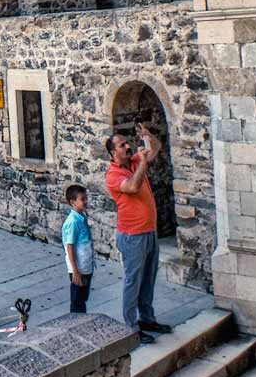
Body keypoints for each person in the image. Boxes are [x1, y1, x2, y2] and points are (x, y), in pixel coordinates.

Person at [106, 124, 173, 344]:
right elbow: (133, 187)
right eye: (121, 145)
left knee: (148, 279)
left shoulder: (134, 161)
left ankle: (147, 319)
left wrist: (148, 136)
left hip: (149, 231)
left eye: (127, 143)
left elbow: (156, 147)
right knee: (133, 281)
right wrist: (143, 163)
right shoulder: (113, 175)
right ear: (113, 153)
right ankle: (131, 327)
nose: (127, 146)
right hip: (132, 235)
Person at [62, 184, 94, 313]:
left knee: (82, 298)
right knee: (77, 301)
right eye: (82, 199)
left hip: (86, 266)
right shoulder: (73, 222)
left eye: (86, 198)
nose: (86, 201)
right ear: (73, 202)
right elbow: (70, 247)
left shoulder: (81, 217)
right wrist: (75, 271)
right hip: (79, 269)